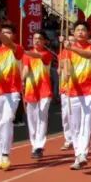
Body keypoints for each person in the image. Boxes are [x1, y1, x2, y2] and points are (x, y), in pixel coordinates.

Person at [0, 23, 24, 168]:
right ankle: (0, 156)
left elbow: (7, 42)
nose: (6, 35)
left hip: (12, 91)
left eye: (8, 33)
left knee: (6, 121)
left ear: (13, 36)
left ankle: (6, 154)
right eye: (4, 32)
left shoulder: (16, 49)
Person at [63, 22, 91, 170]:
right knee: (75, 125)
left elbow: (89, 55)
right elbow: (66, 64)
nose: (80, 32)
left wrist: (71, 48)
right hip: (74, 90)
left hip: (90, 90)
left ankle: (83, 153)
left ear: (88, 33)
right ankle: (78, 154)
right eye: (77, 30)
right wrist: (66, 73)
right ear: (73, 33)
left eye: (83, 30)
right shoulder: (67, 50)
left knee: (87, 121)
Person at [21, 30, 54, 159]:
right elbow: (25, 69)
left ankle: (39, 146)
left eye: (40, 38)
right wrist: (22, 80)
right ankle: (34, 144)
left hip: (45, 89)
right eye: (35, 38)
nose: (37, 41)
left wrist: (24, 51)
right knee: (32, 118)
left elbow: (39, 57)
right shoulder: (27, 56)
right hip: (31, 89)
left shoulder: (47, 54)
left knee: (42, 117)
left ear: (44, 41)